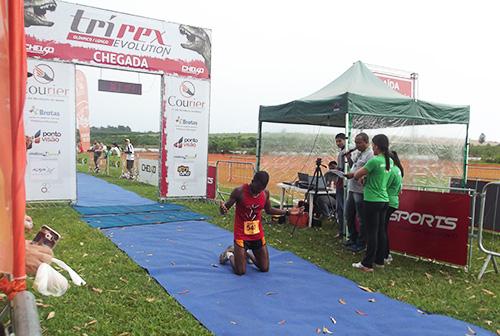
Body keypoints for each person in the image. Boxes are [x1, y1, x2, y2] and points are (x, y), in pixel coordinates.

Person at [218, 171, 301, 275]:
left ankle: (247, 253)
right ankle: (229, 254)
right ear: (252, 181)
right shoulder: (239, 191)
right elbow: (225, 209)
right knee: (240, 271)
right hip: (241, 234)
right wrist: (222, 209)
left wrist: (288, 212)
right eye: (256, 189)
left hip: (256, 234)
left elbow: (269, 210)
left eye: (260, 189)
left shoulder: (265, 193)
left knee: (264, 268)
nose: (257, 192)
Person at [352, 134, 392, 272]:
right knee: (381, 231)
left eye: (373, 145)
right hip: (384, 200)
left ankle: (367, 264)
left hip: (372, 200)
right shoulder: (389, 161)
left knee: (372, 233)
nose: (372, 147)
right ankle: (379, 260)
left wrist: (362, 177)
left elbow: (357, 174)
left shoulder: (374, 161)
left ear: (376, 146)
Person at [343, 133, 373, 252]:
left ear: (366, 142)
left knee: (361, 218)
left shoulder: (370, 154)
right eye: (355, 142)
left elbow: (367, 172)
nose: (357, 145)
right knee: (348, 215)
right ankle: (352, 238)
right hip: (352, 188)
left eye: (359, 143)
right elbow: (353, 167)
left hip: (360, 191)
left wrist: (354, 175)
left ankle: (361, 243)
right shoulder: (359, 153)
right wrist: (349, 158)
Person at [383, 150, 404, 265]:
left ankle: (385, 254)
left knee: (382, 230)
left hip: (388, 201)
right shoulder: (398, 169)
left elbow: (383, 185)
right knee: (383, 229)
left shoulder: (392, 170)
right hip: (393, 201)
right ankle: (385, 253)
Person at [334, 133, 346, 237]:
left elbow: (342, 169)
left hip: (343, 183)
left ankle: (343, 231)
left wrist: (336, 170)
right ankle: (342, 230)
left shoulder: (345, 152)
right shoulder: (341, 152)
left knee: (341, 207)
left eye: (340, 141)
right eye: (336, 141)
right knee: (340, 207)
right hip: (340, 182)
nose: (338, 143)